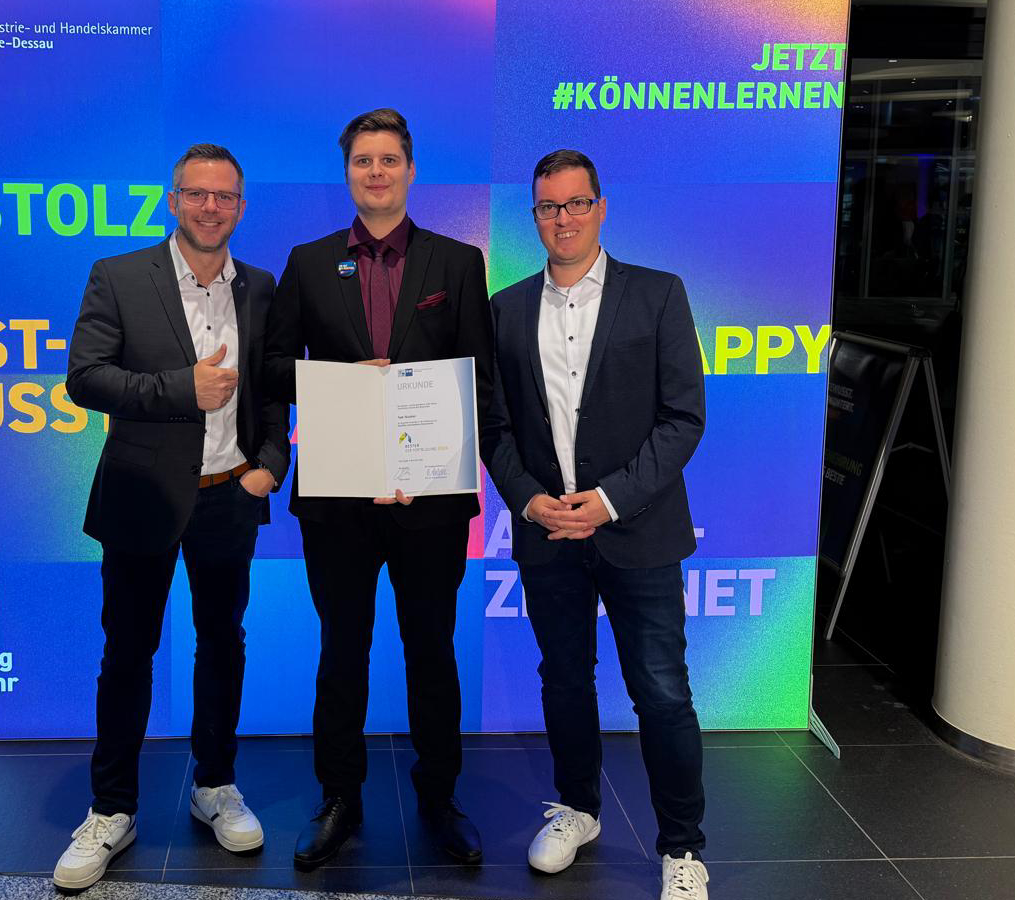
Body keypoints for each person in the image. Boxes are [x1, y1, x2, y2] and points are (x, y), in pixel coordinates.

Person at [55, 143, 289, 891]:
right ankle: (111, 809)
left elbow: (272, 391)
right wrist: (180, 388)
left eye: (224, 196)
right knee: (128, 652)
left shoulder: (261, 287)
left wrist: (269, 466)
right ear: (173, 200)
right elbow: (85, 378)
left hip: (229, 495)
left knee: (223, 645)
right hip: (141, 495)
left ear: (241, 206)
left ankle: (215, 786)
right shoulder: (119, 275)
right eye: (196, 194)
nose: (210, 207)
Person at [263, 108, 493, 870]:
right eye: (363, 161)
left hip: (431, 502)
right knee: (342, 650)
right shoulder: (308, 262)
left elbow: (478, 379)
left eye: (389, 159)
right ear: (347, 173)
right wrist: (337, 381)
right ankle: (339, 798)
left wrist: (433, 462)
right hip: (339, 501)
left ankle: (440, 797)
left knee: (431, 649)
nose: (376, 172)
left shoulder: (457, 263)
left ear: (411, 170)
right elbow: (273, 369)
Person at [480, 149, 711, 900]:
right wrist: (528, 499)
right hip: (548, 532)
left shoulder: (659, 294)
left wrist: (609, 500)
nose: (564, 219)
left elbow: (683, 419)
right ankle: (578, 808)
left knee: (662, 691)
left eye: (577, 203)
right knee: (564, 680)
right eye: (549, 207)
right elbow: (495, 428)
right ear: (534, 217)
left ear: (601, 208)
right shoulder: (505, 310)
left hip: (637, 530)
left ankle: (682, 847)